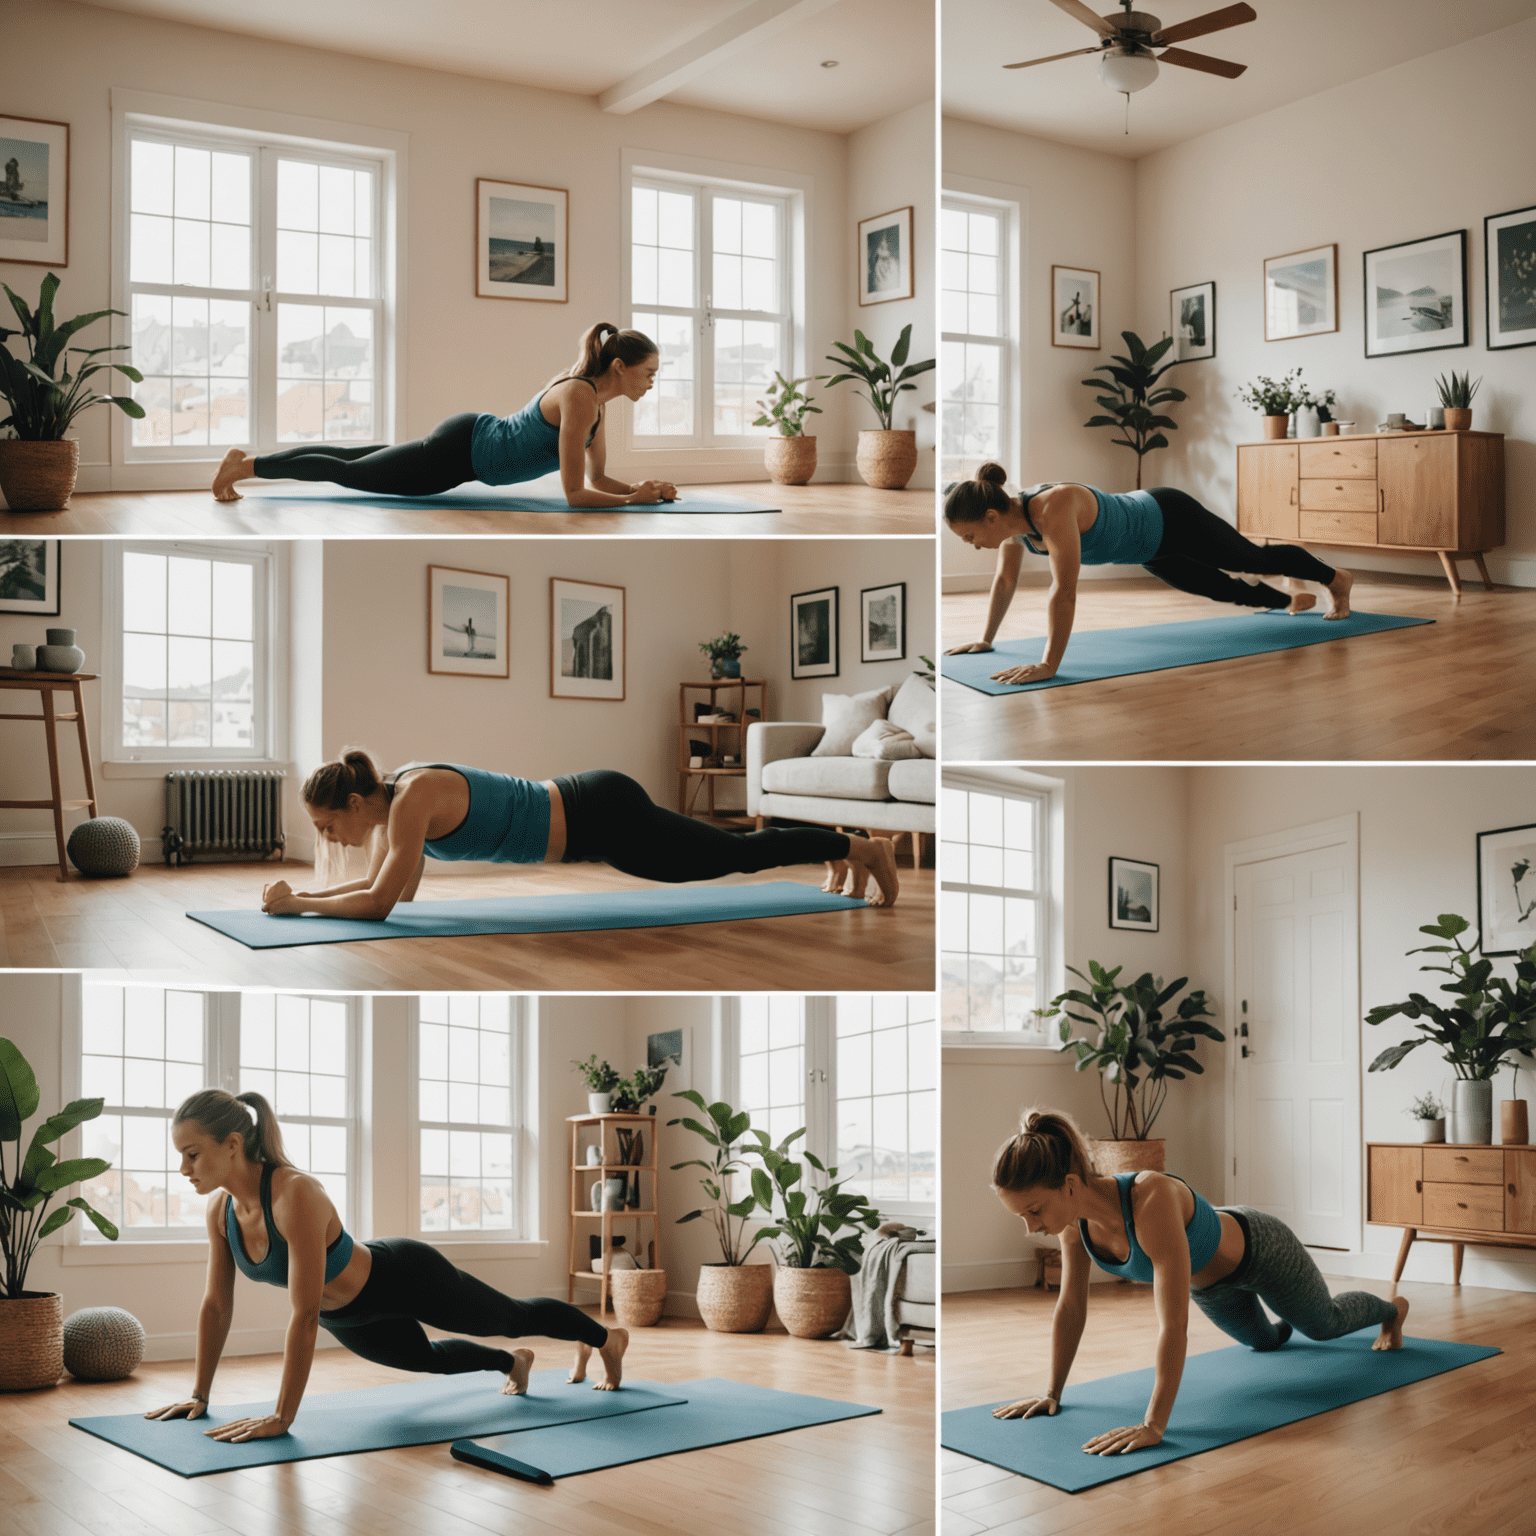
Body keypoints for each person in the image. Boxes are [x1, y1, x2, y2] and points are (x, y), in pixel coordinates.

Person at [144, 1089, 627, 1444]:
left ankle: (608, 1338)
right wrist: (200, 1395)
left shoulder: (295, 1195)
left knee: (511, 1316)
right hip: (348, 1316)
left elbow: (303, 1313)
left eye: (192, 1155)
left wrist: (282, 1417)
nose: (184, 1169)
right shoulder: (220, 1213)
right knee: (427, 1360)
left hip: (403, 1278)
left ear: (231, 1143)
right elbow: (216, 1307)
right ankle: (513, 1361)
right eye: (181, 1157)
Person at [988, 1107, 1408, 1457]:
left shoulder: (1150, 1199)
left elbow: (1173, 1324)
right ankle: (1285, 1316)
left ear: (1069, 1185)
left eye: (1035, 1211)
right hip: (1212, 1285)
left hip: (1260, 1249)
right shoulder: (1072, 1225)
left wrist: (1154, 1424)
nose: (1031, 1227)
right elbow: (1071, 1307)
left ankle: (1392, 1311)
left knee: (1322, 1325)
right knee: (1261, 1341)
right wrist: (1052, 1393)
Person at [257, 749, 899, 918]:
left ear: (350, 802)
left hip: (600, 810)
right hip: (597, 829)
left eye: (326, 825)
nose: (330, 838)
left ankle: (860, 846)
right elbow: (391, 891)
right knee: (717, 857)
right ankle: (842, 846)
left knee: (728, 855)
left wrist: (300, 904)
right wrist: (302, 903)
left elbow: (377, 903)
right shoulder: (396, 809)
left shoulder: (411, 796)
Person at [942, 463, 1354, 686]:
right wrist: (986, 639)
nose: (972, 544)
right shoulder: (1015, 530)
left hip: (1170, 516)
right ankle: (1288, 601)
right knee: (1212, 586)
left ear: (992, 516)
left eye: (970, 536)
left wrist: (1049, 664)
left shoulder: (1053, 507)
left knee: (1252, 559)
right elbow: (1006, 582)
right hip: (1150, 549)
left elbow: (1064, 591)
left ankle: (1335, 579)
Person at [211, 323, 679, 509]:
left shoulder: (595, 407)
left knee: (355, 459)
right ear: (620, 367)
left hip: (466, 445)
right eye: (649, 372)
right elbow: (575, 494)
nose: (653, 381)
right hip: (460, 453)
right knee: (351, 474)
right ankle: (244, 467)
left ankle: (246, 462)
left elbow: (599, 480)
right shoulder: (579, 396)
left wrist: (643, 490)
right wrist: (632, 502)